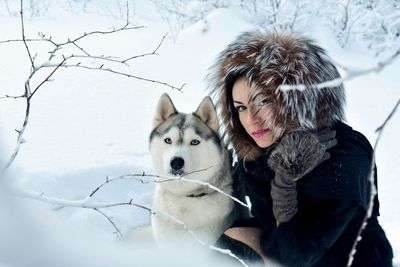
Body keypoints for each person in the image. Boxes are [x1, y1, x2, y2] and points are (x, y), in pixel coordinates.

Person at [208, 32, 393, 267]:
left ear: (297, 98)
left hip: (348, 260)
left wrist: (285, 183)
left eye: (263, 101)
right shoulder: (259, 153)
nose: (251, 119)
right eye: (241, 108)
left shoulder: (344, 153)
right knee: (228, 244)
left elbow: (294, 256)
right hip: (284, 246)